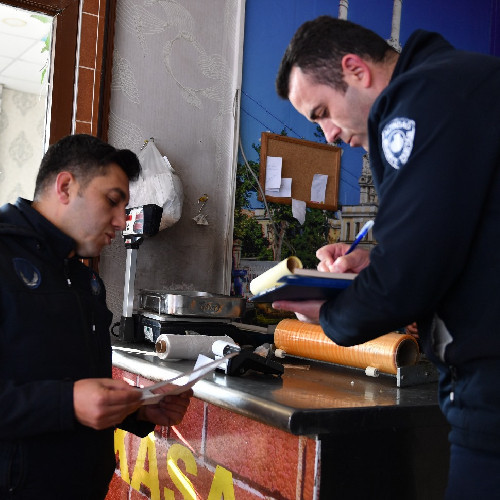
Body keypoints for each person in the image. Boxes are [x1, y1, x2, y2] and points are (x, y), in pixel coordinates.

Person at [273, 16, 500, 499]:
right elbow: (464, 237)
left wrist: (329, 313)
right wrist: (375, 262)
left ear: (355, 70)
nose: (329, 134)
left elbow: (406, 282)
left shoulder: (413, 103)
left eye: (322, 112)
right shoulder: (462, 83)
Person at [0, 134, 192, 499]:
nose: (122, 220)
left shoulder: (83, 278)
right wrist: (67, 402)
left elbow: (78, 387)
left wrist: (138, 408)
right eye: (113, 201)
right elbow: (69, 398)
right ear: (66, 186)